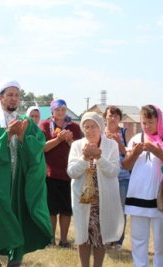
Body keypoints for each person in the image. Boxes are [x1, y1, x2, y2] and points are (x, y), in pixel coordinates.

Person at [0, 80, 52, 267]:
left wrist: (21, 138)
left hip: (19, 180)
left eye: (17, 95)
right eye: (10, 95)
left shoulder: (26, 122)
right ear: (0, 98)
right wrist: (7, 135)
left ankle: (15, 259)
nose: (14, 99)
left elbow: (38, 144)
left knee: (19, 214)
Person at [67, 112, 124, 267]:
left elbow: (114, 171)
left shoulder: (111, 145)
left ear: (101, 128)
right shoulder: (77, 145)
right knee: (83, 234)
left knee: (101, 234)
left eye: (93, 127)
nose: (90, 130)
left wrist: (99, 157)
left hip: (103, 197)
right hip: (83, 198)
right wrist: (85, 158)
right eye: (86, 127)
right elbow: (72, 172)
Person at [122, 105, 163, 267]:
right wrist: (135, 153)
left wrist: (155, 150)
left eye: (150, 122)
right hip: (137, 195)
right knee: (138, 239)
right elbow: (125, 165)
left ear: (159, 121)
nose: (146, 126)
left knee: (160, 241)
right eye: (143, 122)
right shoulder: (136, 138)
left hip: (159, 197)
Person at [39, 99, 81, 247]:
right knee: (51, 209)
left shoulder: (74, 127)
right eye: (58, 110)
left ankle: (64, 239)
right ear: (52, 111)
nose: (61, 112)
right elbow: (42, 148)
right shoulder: (44, 125)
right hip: (50, 173)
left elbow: (79, 149)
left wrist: (69, 141)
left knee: (66, 209)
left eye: (63, 109)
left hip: (69, 173)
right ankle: (50, 239)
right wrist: (59, 139)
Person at [103, 105, 131, 249]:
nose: (113, 118)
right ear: (105, 117)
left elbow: (129, 154)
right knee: (106, 207)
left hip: (122, 176)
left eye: (116, 116)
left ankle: (118, 241)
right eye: (110, 115)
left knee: (120, 209)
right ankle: (107, 238)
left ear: (120, 118)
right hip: (105, 176)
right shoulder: (100, 132)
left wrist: (119, 143)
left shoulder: (124, 132)